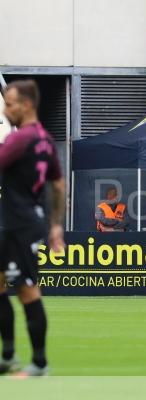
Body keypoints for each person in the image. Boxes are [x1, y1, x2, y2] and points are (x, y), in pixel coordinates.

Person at [0, 80, 65, 376]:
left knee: (27, 290)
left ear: (26, 105)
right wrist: (54, 227)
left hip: (20, 225)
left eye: (10, 104)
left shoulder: (20, 139)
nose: (5, 109)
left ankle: (39, 363)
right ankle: (8, 356)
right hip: (19, 222)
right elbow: (59, 186)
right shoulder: (46, 140)